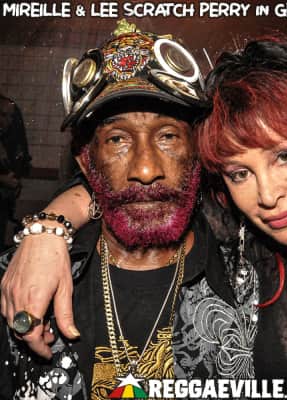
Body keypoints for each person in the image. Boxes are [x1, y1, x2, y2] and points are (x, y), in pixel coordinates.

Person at [2, 37, 287, 399]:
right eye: (239, 173)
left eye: (284, 155)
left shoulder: (247, 261)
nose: (267, 195)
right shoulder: (249, 243)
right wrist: (46, 229)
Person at [0, 22, 258, 399]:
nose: (146, 169)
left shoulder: (255, 283)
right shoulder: (18, 283)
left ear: (198, 152)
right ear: (86, 161)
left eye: (167, 136)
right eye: (118, 140)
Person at [0, 94, 31, 251]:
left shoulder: (6, 139)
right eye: (3, 115)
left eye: (11, 116)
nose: (8, 121)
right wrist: (3, 179)